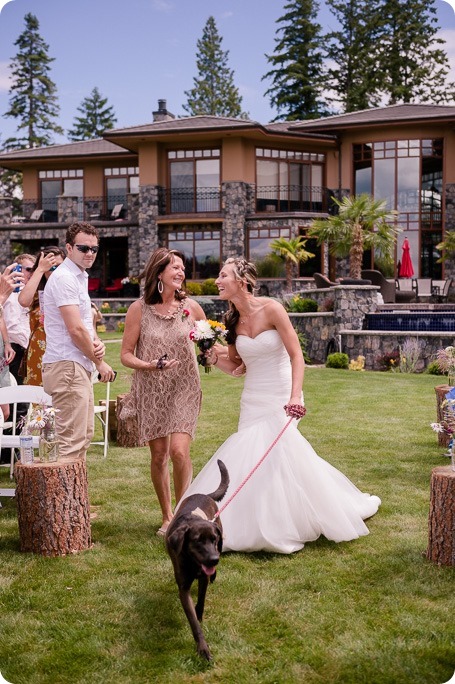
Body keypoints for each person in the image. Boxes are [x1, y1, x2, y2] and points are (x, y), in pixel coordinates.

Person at [181, 258, 381, 554]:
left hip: (280, 394)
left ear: (242, 280)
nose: (218, 281)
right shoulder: (232, 319)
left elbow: (296, 355)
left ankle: (303, 517)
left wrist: (295, 396)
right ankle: (251, 523)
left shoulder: (272, 309)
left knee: (278, 454)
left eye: (223, 275)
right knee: (253, 456)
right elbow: (237, 366)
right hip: (252, 398)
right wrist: (213, 358)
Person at [120, 248, 206, 536]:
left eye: (182, 268)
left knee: (179, 452)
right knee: (159, 456)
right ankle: (167, 516)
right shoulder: (139, 309)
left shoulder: (191, 307)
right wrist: (151, 365)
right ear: (159, 273)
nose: (181, 272)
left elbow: (208, 344)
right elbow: (125, 355)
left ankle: (184, 512)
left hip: (184, 385)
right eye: (175, 268)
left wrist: (221, 354)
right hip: (151, 387)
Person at [42, 222, 115, 460]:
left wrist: (97, 343)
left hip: (75, 365)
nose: (90, 253)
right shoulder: (64, 278)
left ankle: (74, 498)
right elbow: (74, 328)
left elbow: (83, 324)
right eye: (84, 248)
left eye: (94, 249)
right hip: (67, 366)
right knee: (71, 443)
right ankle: (59, 498)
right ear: (69, 247)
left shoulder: (78, 277)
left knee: (82, 438)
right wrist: (100, 363)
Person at [18, 246, 66, 385]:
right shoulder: (37, 291)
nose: (55, 271)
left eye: (59, 266)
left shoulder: (70, 288)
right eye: (50, 267)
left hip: (64, 352)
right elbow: (23, 301)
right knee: (39, 401)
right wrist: (40, 269)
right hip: (39, 352)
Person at [2, 253, 35, 384]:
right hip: (8, 347)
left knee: (26, 393)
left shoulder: (34, 292)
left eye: (34, 269)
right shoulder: (4, 288)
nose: (31, 273)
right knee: (7, 392)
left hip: (26, 348)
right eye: (28, 269)